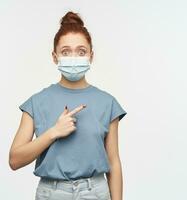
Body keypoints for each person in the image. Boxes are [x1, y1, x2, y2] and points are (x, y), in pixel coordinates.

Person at [9, 11, 127, 200]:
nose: (74, 58)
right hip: (52, 193)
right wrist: (54, 132)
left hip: (96, 192)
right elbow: (15, 160)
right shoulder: (36, 102)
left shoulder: (107, 103)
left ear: (91, 56)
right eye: (66, 52)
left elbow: (113, 162)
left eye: (81, 52)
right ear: (55, 57)